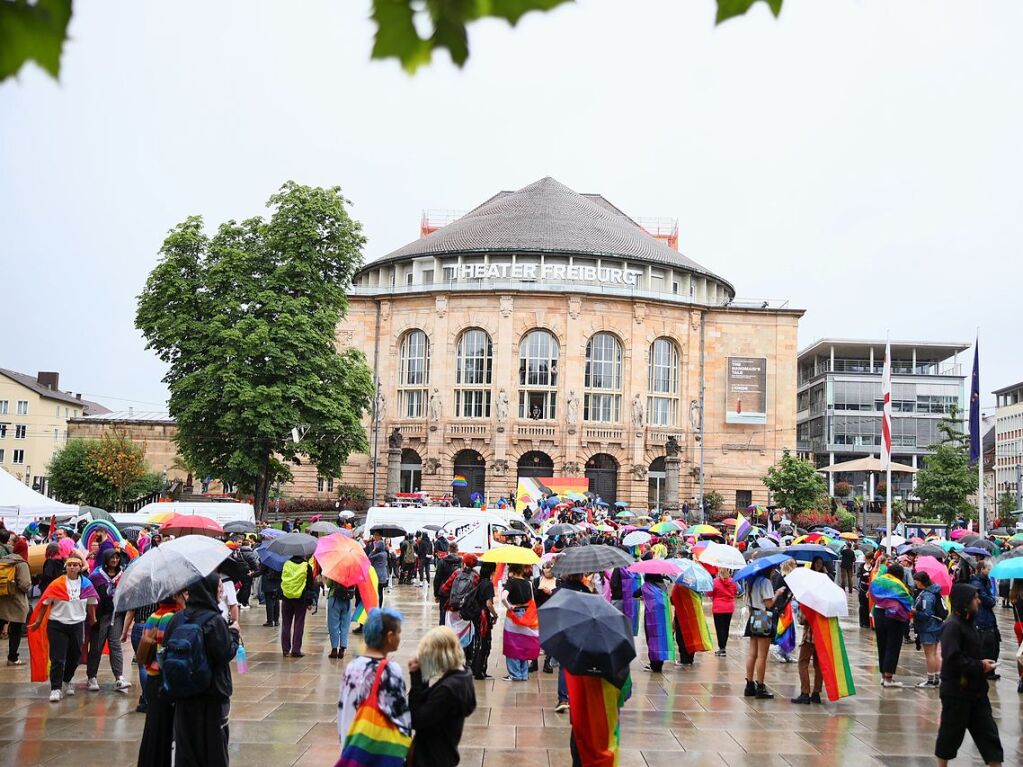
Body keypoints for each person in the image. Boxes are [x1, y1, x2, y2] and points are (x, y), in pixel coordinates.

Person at [165, 573, 241, 767]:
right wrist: (233, 633)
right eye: (218, 589)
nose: (221, 592)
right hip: (212, 692)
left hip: (183, 692)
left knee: (186, 746)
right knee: (214, 747)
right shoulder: (214, 620)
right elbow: (225, 653)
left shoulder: (177, 619)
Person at [934, 583, 1003, 767]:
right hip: (957, 693)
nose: (979, 601)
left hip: (977, 692)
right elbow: (952, 658)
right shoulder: (952, 626)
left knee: (989, 737)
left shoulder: (969, 622)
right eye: (975, 598)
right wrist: (980, 666)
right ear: (964, 602)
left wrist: (981, 665)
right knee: (950, 735)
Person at [336, 608, 410, 759]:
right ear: (389, 637)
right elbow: (400, 717)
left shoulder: (352, 667)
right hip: (377, 753)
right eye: (398, 632)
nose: (399, 637)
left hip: (351, 747)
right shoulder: (391, 671)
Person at [28, 553, 98, 701]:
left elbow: (91, 602)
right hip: (57, 624)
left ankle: (67, 680)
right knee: (58, 658)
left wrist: (93, 618)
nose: (72, 567)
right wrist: (39, 621)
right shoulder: (57, 584)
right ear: (66, 567)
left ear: (80, 567)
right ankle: (56, 688)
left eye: (76, 565)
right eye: (70, 565)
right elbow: (44, 604)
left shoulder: (86, 584)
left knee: (75, 657)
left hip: (77, 624)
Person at [407, 626, 477, 767]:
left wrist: (416, 679)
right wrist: (424, 674)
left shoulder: (448, 689)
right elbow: (429, 706)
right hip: (444, 754)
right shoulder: (463, 675)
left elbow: (417, 719)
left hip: (431, 759)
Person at [135, 590, 187, 767]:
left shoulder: (153, 616)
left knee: (153, 728)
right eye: (183, 594)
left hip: (151, 677)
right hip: (163, 678)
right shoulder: (172, 618)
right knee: (164, 729)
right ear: (175, 597)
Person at [86, 549, 132, 692]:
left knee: (115, 646)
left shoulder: (122, 576)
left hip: (116, 616)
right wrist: (92, 616)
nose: (114, 560)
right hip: (100, 618)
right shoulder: (96, 577)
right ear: (105, 559)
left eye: (117, 558)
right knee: (96, 647)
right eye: (111, 558)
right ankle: (92, 677)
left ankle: (119, 677)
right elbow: (89, 596)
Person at [870, 562, 912, 687]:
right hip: (894, 616)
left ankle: (883, 676)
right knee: (893, 645)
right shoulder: (898, 584)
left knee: (882, 644)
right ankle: (889, 678)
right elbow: (906, 599)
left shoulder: (878, 580)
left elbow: (872, 594)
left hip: (878, 612)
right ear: (899, 574)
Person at [501, 563, 539, 681]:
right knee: (524, 643)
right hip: (527, 614)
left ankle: (515, 674)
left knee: (512, 643)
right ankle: (524, 674)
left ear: (512, 570)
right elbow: (532, 600)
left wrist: (509, 606)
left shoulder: (511, 582)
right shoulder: (528, 583)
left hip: (514, 614)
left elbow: (503, 597)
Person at [744, 567, 777, 699]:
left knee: (752, 653)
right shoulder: (766, 582)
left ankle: (749, 684)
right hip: (763, 616)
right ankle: (761, 687)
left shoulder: (751, 581)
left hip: (753, 615)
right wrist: (778, 594)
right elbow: (769, 604)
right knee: (762, 655)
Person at [0, 540, 31, 666]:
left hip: (2, 599)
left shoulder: (3, 560)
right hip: (16, 601)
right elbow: (24, 584)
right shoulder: (21, 563)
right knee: (16, 630)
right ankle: (13, 657)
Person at [969, 559, 1000, 678]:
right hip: (983, 620)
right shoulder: (977, 584)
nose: (989, 571)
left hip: (987, 618)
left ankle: (990, 670)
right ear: (981, 569)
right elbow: (988, 601)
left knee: (993, 646)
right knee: (988, 647)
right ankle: (987, 671)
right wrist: (992, 599)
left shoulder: (984, 581)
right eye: (988, 569)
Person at [912, 571, 944, 688]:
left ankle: (931, 680)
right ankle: (937, 678)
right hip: (937, 626)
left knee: (929, 654)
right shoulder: (934, 591)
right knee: (935, 654)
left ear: (921, 582)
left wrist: (915, 612)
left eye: (916, 581)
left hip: (928, 627)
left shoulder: (926, 595)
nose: (915, 583)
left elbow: (926, 614)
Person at [279, 554, 314, 658]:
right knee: (299, 624)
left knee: (286, 624)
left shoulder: (286, 564)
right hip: (301, 599)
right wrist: (309, 601)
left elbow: (282, 580)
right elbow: (309, 585)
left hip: (286, 597)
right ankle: (296, 650)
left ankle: (285, 650)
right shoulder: (306, 566)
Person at [470, 561, 497, 680]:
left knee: (478, 642)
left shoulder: (479, 582)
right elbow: (488, 603)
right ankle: (480, 671)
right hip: (484, 617)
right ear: (492, 571)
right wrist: (495, 615)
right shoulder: (488, 585)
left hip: (476, 615)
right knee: (485, 643)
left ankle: (475, 669)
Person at [790, 606, 822, 705]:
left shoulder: (809, 601)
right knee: (818, 665)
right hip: (822, 638)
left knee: (803, 663)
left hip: (809, 637)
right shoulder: (827, 602)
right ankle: (816, 693)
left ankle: (805, 693)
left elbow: (802, 619)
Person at [533, 560, 558, 673]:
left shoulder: (558, 581)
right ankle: (533, 662)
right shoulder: (537, 580)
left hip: (552, 613)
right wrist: (539, 590)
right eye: (545, 567)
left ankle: (547, 662)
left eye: (549, 567)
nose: (547, 570)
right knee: (535, 638)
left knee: (550, 639)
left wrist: (551, 593)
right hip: (538, 612)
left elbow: (561, 597)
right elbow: (533, 596)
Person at [324, 574, 354, 660]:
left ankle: (334, 649)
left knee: (333, 625)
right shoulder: (352, 572)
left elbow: (328, 585)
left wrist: (326, 578)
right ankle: (342, 649)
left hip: (334, 599)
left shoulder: (335, 570)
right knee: (345, 625)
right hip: (347, 600)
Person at [433, 542, 462, 625]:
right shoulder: (461, 562)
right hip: (457, 593)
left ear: (448, 550)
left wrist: (436, 594)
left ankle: (443, 633)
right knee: (456, 615)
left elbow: (437, 579)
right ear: (457, 550)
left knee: (443, 614)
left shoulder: (442, 562)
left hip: (444, 592)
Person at [711, 567, 737, 656]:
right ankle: (723, 647)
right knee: (726, 628)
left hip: (718, 608)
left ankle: (721, 648)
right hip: (729, 608)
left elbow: (709, 593)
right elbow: (735, 592)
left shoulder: (715, 581)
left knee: (719, 628)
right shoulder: (733, 581)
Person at [260, 561, 281, 628]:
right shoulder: (280, 559)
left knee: (269, 602)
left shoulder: (267, 560)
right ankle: (276, 621)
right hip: (277, 583)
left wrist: (252, 574)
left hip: (268, 583)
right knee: (276, 602)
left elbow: (261, 571)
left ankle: (270, 621)